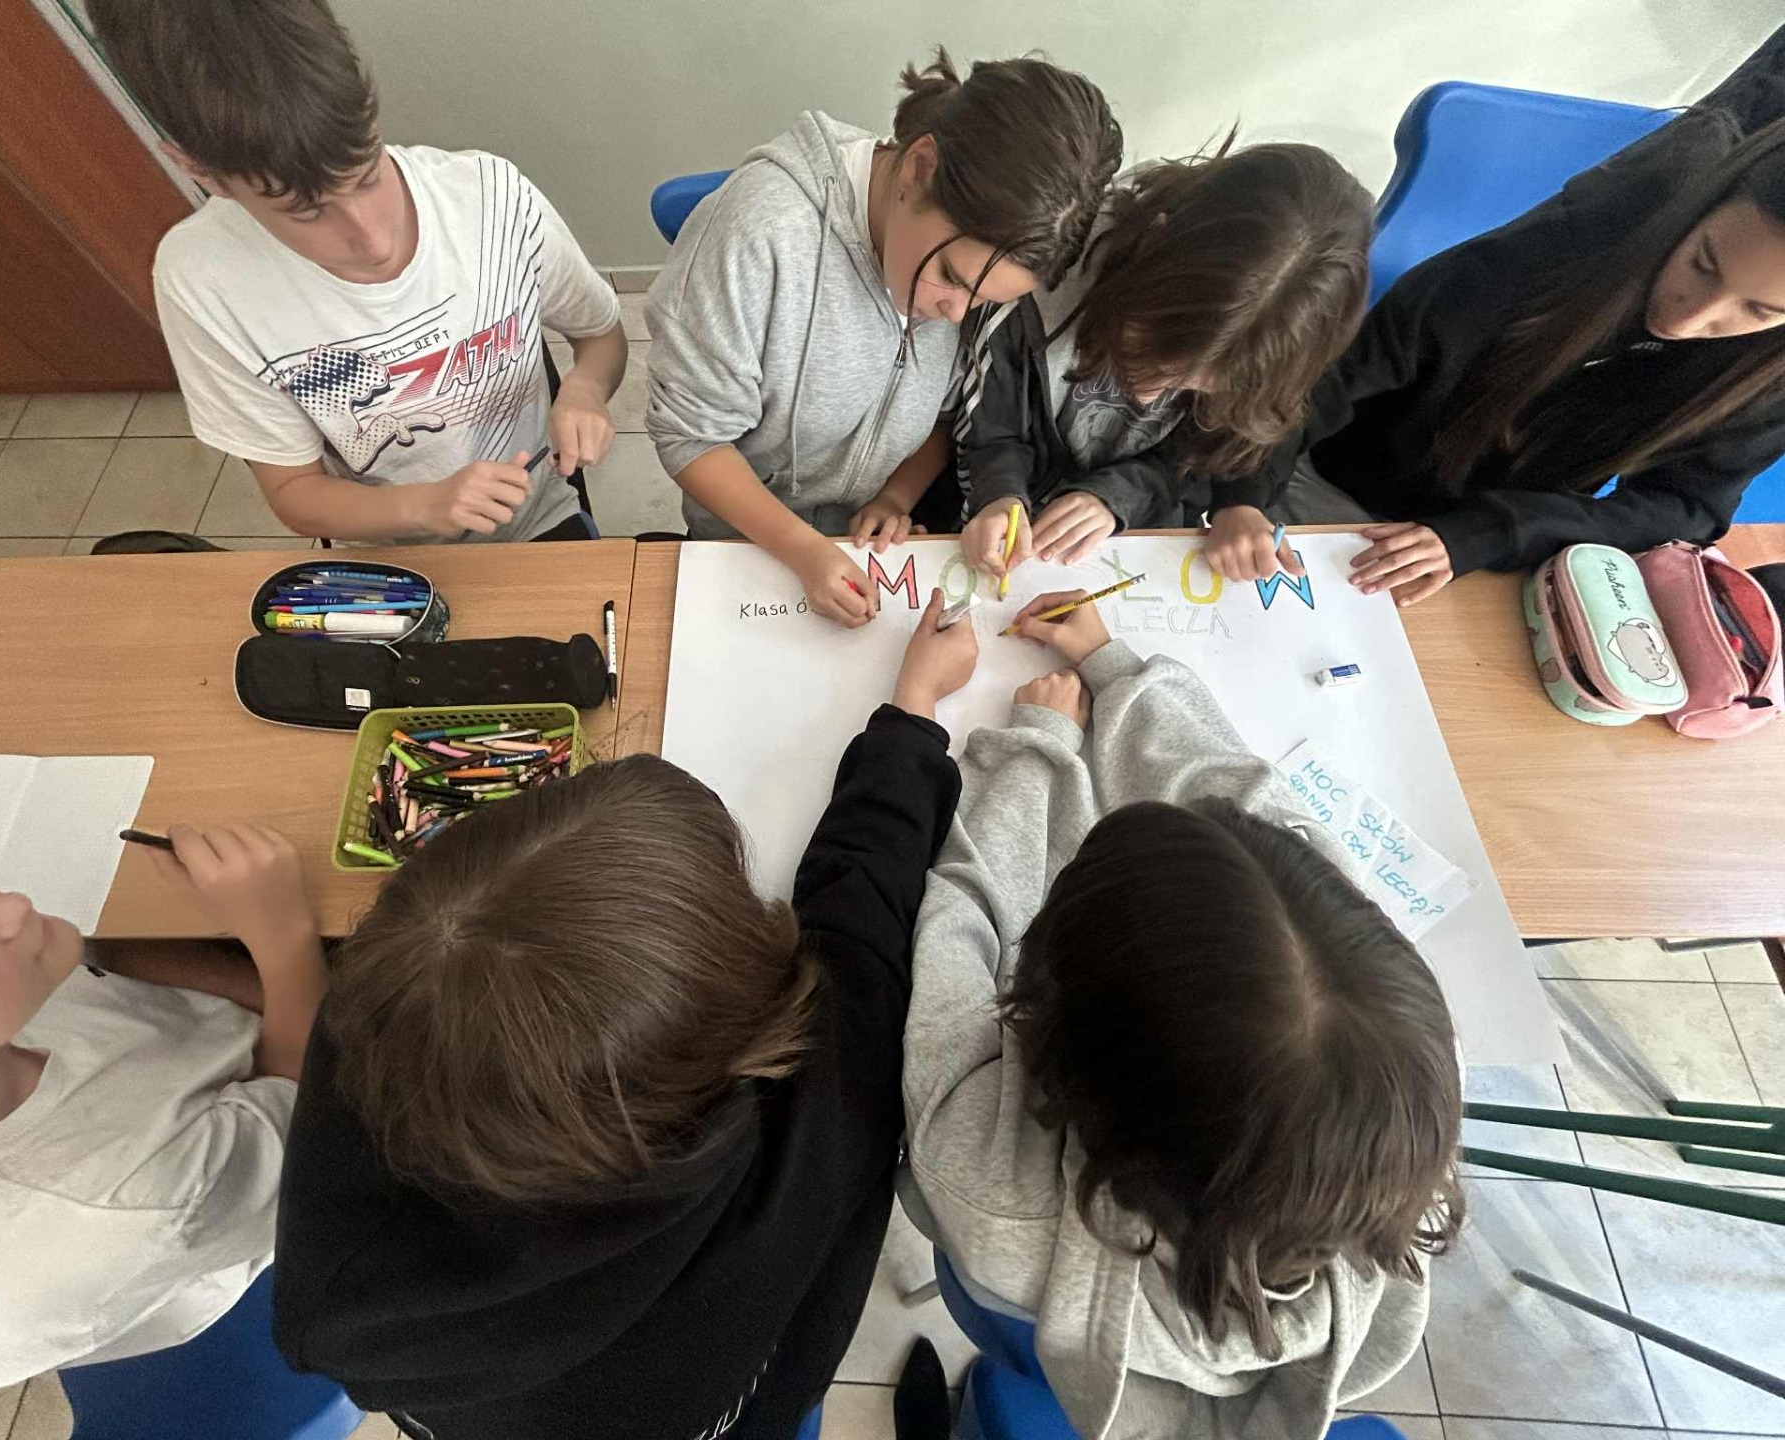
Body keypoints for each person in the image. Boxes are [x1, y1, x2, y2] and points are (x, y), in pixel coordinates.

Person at [271, 596, 979, 1439]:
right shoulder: (817, 1115)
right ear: (743, 1035)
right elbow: (864, 917)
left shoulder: (367, 1076)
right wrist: (912, 719)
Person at [902, 594, 1462, 1440]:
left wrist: (1037, 748)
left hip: (1024, 1327)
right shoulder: (1399, 1092)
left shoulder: (980, 1163)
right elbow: (1255, 813)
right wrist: (1118, 670)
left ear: (1051, 1032)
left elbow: (961, 915)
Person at [87, 0, 627, 545]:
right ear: (199, 171)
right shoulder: (201, 279)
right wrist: (425, 506)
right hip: (387, 548)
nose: (373, 239)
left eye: (368, 175)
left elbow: (600, 335)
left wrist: (584, 389)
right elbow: (294, 491)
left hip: (540, 512)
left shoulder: (492, 198)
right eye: (307, 212)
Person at [646, 49, 1121, 625]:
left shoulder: (970, 265)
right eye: (950, 277)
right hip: (745, 545)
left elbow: (949, 416)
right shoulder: (760, 235)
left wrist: (896, 496)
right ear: (918, 169)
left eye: (984, 302)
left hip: (859, 539)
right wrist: (804, 551)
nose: (955, 315)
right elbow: (691, 438)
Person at [1251, 101, 1785, 606]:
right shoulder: (1573, 240)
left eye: (1759, 311)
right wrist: (1245, 492)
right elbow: (1344, 373)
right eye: (1702, 264)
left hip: (1502, 549)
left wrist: (1494, 532)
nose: (1686, 321)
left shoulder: (1768, 373)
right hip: (1347, 477)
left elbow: (1686, 506)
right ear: (1698, 210)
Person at [0, 826, 327, 1397]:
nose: (11, 906)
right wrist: (283, 938)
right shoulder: (127, 1199)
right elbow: (301, 1099)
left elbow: (102, 966)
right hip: (247, 1193)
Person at [947, 142, 1372, 586]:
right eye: (1150, 356)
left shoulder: (1263, 352)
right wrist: (999, 494)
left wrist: (1114, 497)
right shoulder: (1034, 282)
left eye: (1193, 384)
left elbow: (1190, 466)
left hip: (1131, 535)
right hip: (998, 517)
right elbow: (990, 430)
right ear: (1150, 254)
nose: (1148, 396)